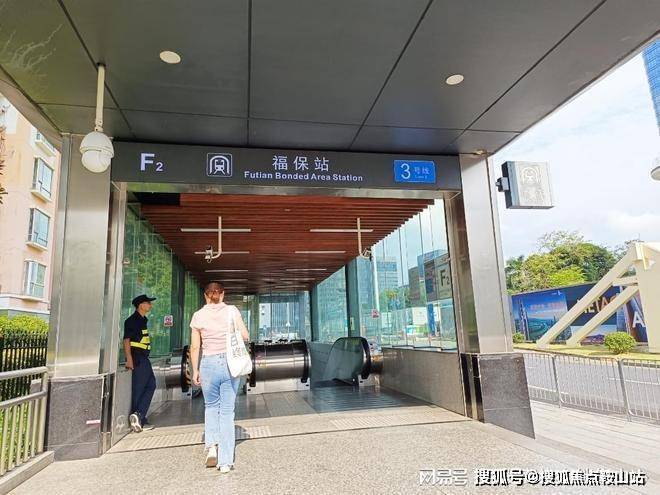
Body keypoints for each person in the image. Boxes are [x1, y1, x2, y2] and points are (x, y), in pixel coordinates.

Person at [190, 282, 249, 473]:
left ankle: (212, 447)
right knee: (226, 412)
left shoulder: (198, 316)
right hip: (229, 364)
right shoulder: (232, 311)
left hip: (208, 364)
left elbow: (195, 347)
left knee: (211, 407)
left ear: (205, 295)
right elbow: (245, 336)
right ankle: (225, 462)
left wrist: (195, 370)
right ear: (222, 294)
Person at [124, 294, 158, 433]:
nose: (150, 305)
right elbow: (126, 340)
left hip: (143, 358)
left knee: (151, 385)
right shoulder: (132, 321)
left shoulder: (143, 320)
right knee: (140, 388)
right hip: (137, 358)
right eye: (148, 303)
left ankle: (139, 415)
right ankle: (138, 417)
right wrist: (129, 358)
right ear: (141, 305)